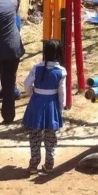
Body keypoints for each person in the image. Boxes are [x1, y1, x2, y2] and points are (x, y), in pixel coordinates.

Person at [22, 40, 67, 174]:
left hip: (36, 104)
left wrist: (34, 94)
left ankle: (33, 166)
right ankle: (49, 165)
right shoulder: (61, 71)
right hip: (52, 106)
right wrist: (60, 109)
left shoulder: (36, 67)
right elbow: (62, 94)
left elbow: (26, 85)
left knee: (34, 136)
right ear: (59, 53)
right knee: (50, 137)